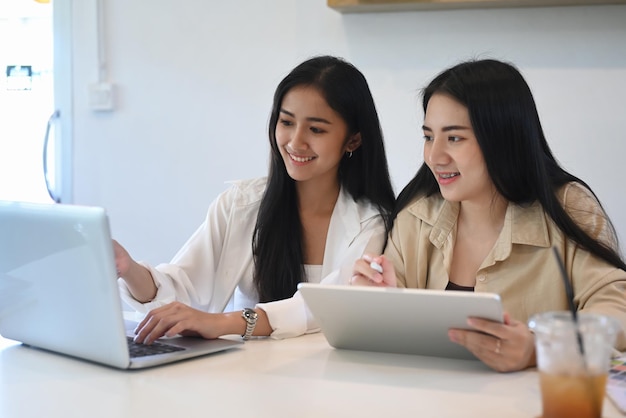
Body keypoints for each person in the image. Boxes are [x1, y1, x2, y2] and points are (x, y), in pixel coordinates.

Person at [351, 58, 626, 372]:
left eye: (454, 138)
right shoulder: (417, 213)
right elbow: (393, 330)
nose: (434, 156)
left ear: (502, 139)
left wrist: (542, 347)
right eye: (429, 137)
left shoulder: (569, 207)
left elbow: (617, 311)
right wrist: (379, 302)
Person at [115, 55, 395, 344]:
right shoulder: (240, 205)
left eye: (316, 129)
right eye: (286, 122)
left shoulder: (372, 222)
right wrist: (127, 268)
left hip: (326, 379)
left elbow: (325, 306)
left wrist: (224, 322)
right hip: (244, 377)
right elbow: (179, 289)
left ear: (353, 140)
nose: (295, 141)